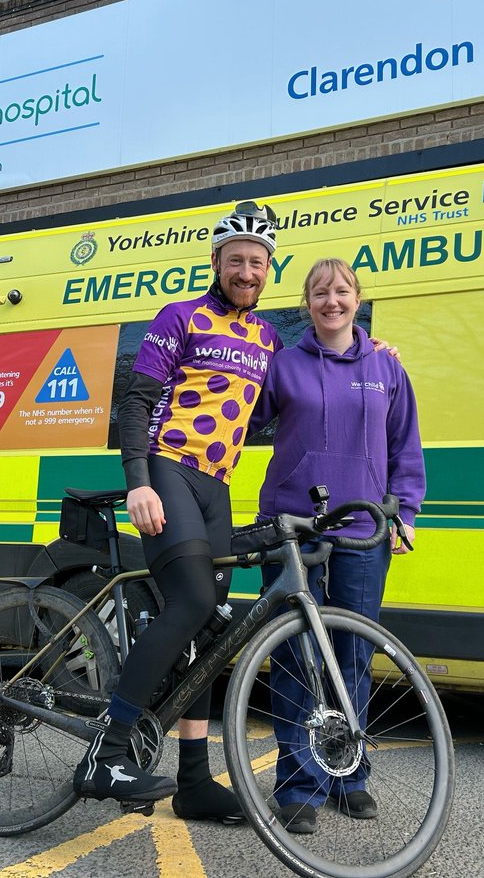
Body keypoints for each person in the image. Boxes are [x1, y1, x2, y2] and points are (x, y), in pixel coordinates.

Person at [74, 201, 283, 823]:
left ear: (269, 270)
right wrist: (138, 481)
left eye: (258, 261)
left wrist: (362, 348)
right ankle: (105, 754)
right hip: (167, 466)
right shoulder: (180, 316)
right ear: (216, 262)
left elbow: (279, 404)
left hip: (216, 485)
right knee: (190, 602)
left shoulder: (268, 336)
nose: (247, 270)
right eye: (236, 259)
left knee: (213, 627)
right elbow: (135, 402)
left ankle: (193, 781)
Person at [250, 257, 425, 835]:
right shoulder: (284, 366)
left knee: (351, 654)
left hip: (363, 528)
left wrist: (405, 512)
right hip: (291, 527)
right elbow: (243, 423)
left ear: (358, 299)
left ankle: (349, 776)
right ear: (307, 305)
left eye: (342, 291)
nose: (332, 301)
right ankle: (299, 785)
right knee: (295, 659)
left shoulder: (386, 366)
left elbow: (405, 446)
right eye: (321, 294)